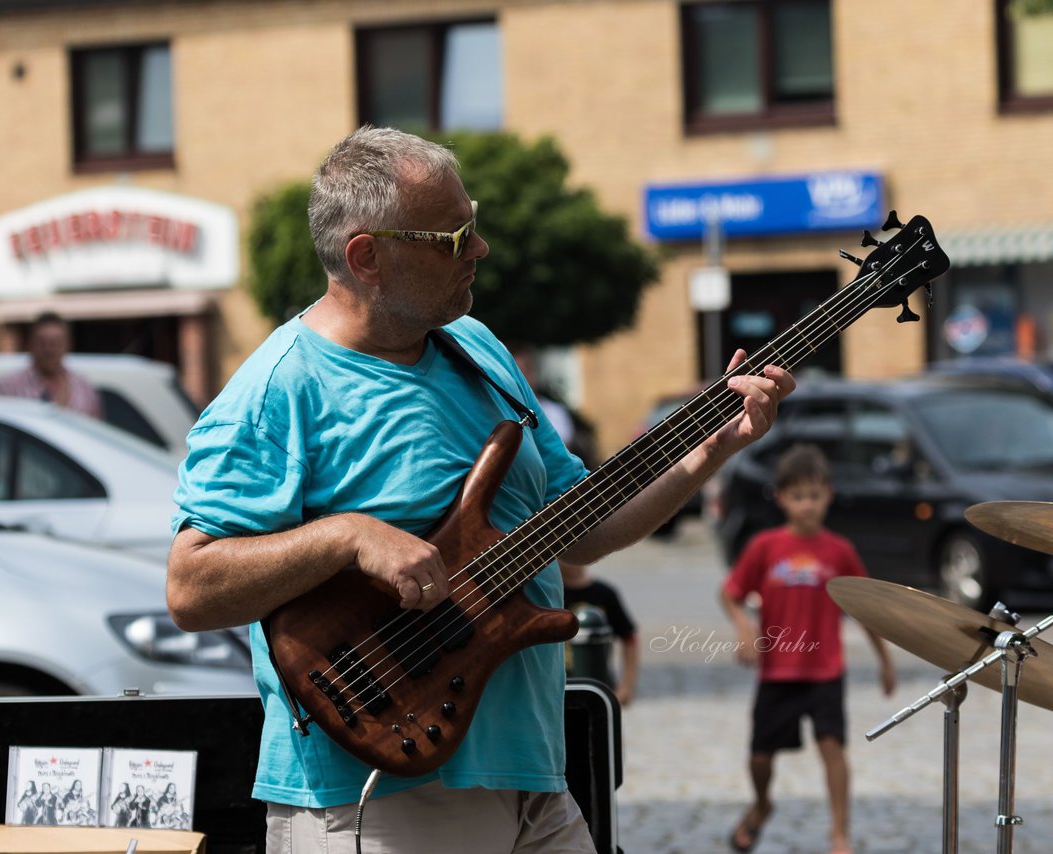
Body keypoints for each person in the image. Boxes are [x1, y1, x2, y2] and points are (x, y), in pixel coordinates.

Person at [167, 125, 794, 853]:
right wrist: (348, 537)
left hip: (530, 772)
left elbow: (580, 525)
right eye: (454, 235)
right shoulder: (280, 388)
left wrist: (710, 451)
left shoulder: (480, 349)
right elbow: (191, 586)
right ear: (368, 256)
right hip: (382, 797)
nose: (480, 249)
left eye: (476, 225)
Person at [719, 443, 897, 854]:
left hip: (825, 671)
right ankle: (762, 805)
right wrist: (745, 629)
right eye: (798, 496)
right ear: (781, 498)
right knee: (760, 758)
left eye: (815, 495)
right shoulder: (765, 547)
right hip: (777, 672)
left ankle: (839, 833)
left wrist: (886, 662)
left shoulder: (840, 552)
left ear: (829, 496)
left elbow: (867, 610)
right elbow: (730, 593)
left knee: (833, 748)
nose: (807, 505)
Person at [0, 311, 103, 418]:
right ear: (30, 345)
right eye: (42, 343)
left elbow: (95, 430)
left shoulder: (83, 388)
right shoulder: (9, 388)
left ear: (68, 345)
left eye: (55, 343)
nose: (49, 350)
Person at [561, 562, 639, 707]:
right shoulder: (551, 594)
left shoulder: (604, 593)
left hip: (600, 683)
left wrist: (627, 686)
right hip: (560, 685)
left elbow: (629, 638)